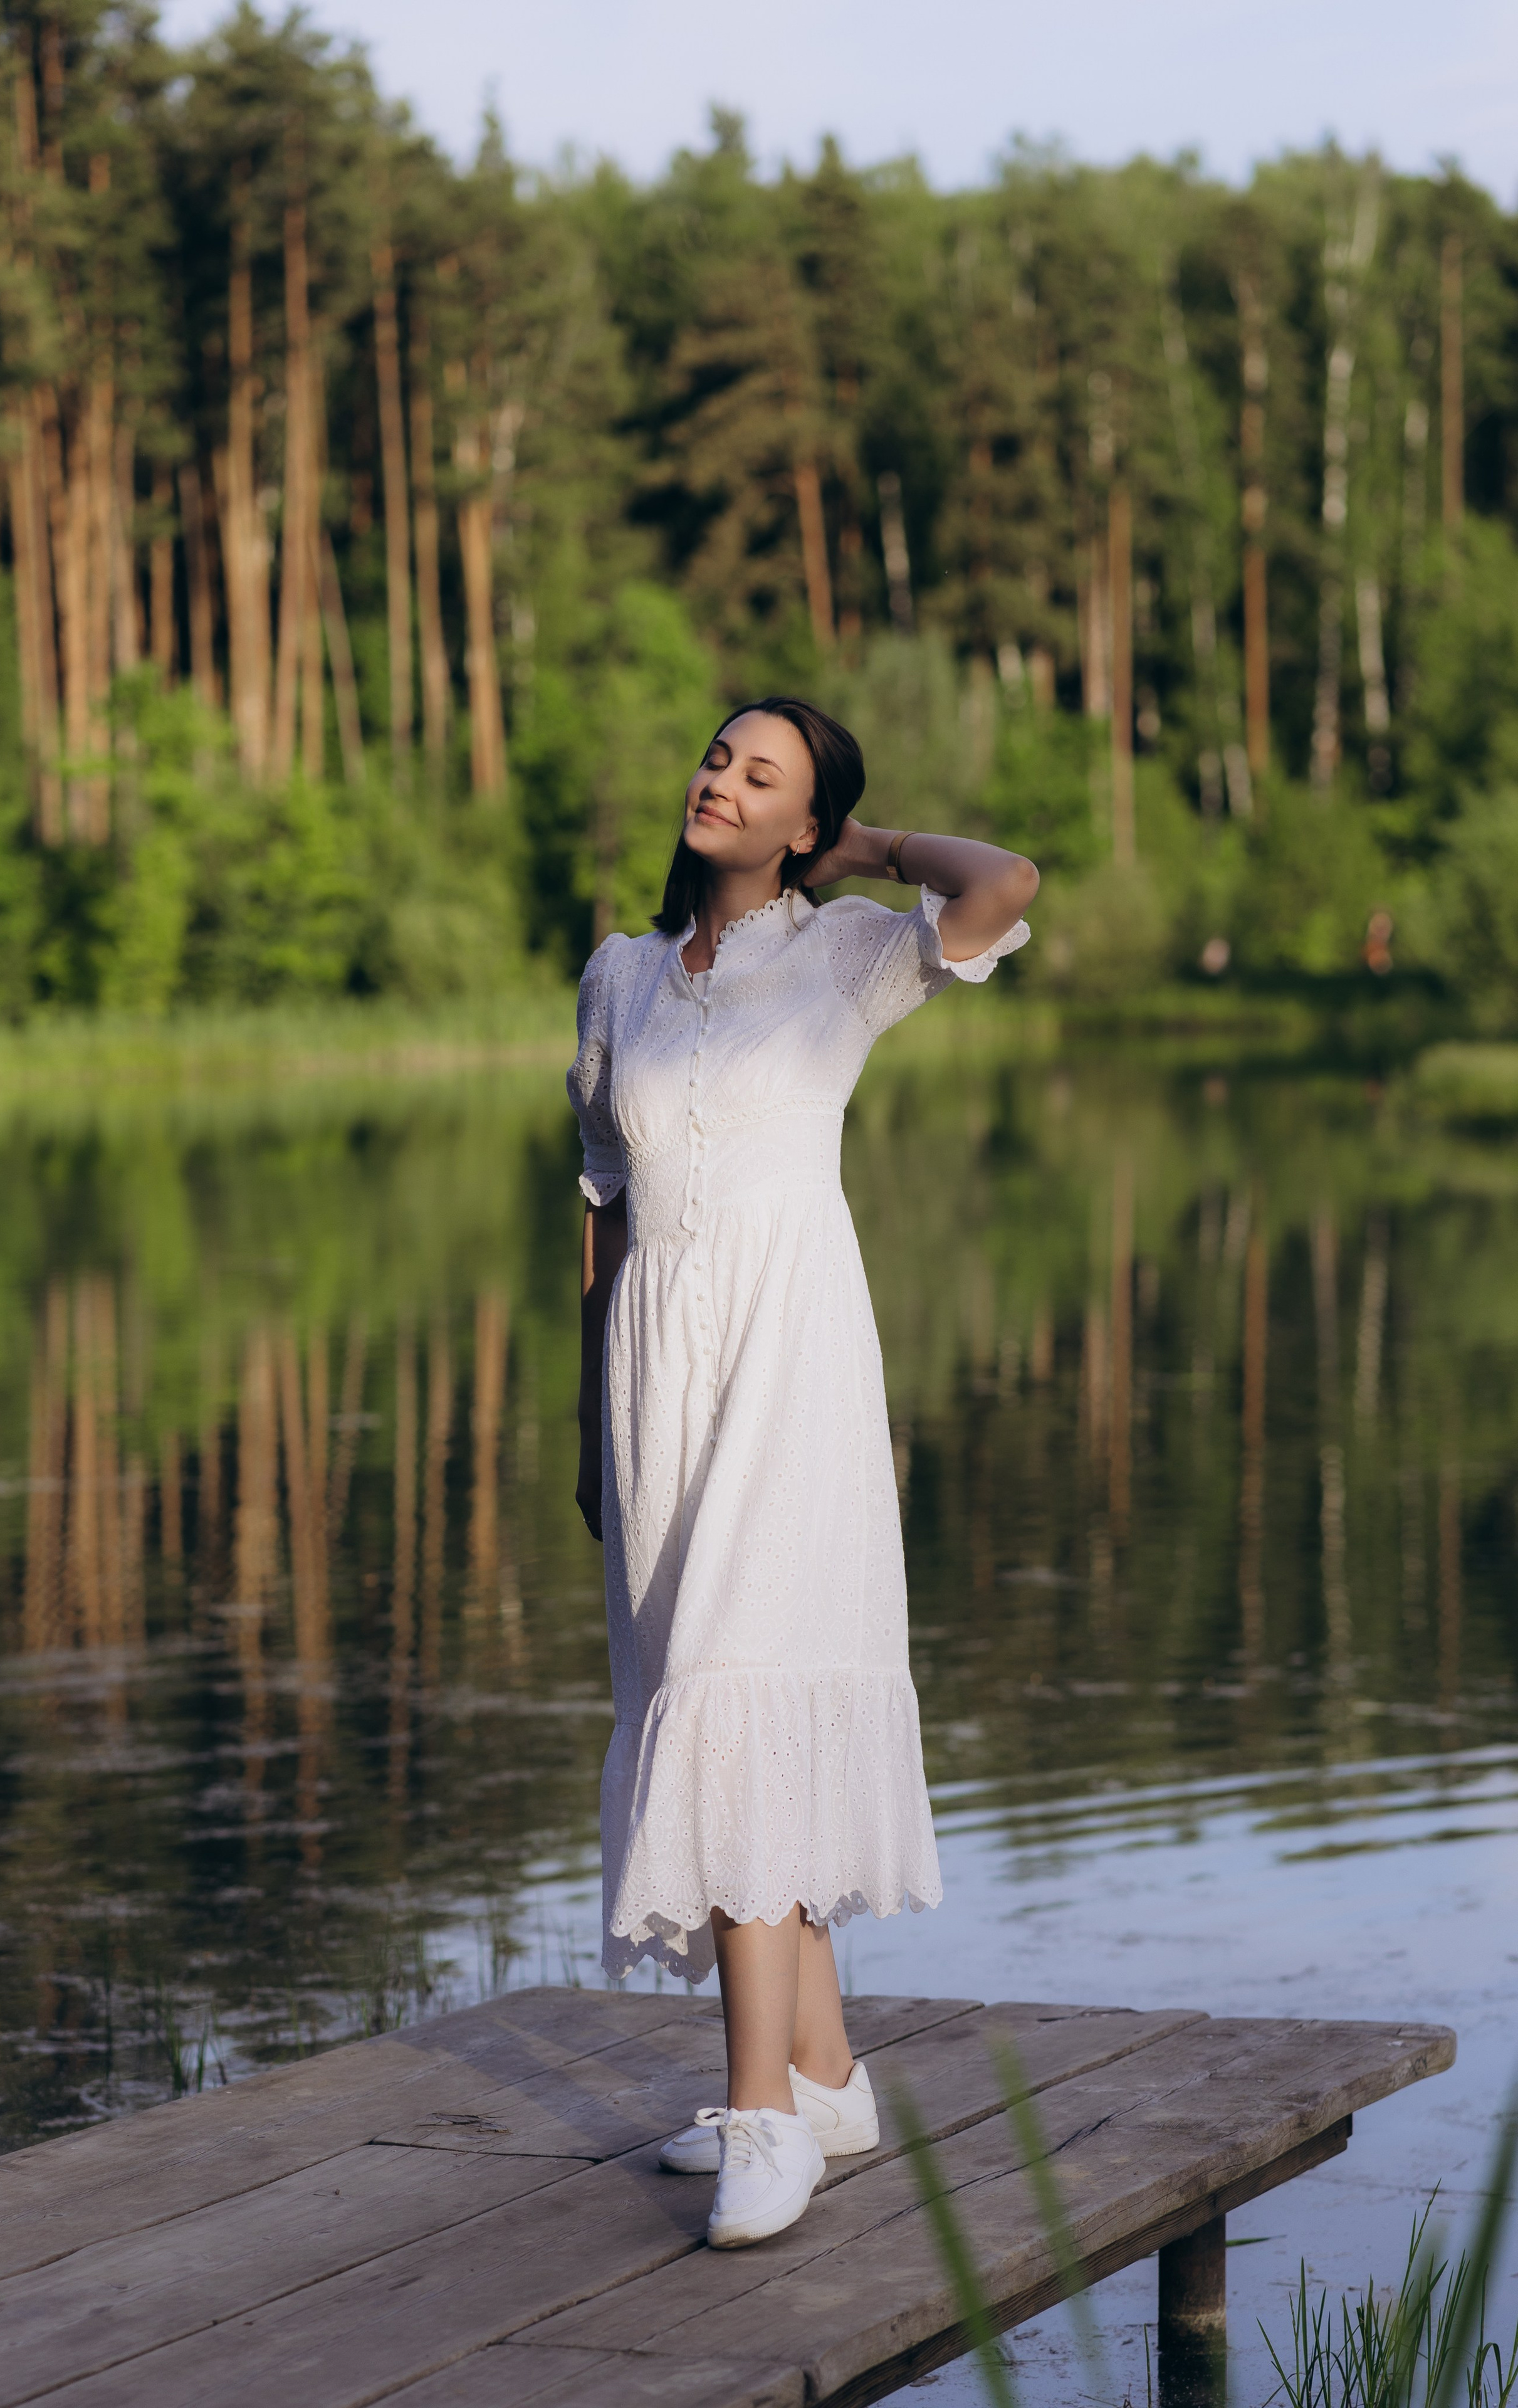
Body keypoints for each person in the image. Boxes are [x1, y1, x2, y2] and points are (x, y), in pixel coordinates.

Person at [568, 697, 1037, 2248]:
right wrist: (589, 1428)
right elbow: (604, 1212)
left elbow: (1004, 886)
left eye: (760, 775)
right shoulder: (621, 976)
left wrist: (878, 846)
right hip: (655, 1376)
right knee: (690, 1688)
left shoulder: (841, 952)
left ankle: (763, 2110)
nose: (718, 778)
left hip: (791, 1362)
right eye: (713, 754)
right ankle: (828, 2075)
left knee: (735, 1681)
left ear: (802, 823)